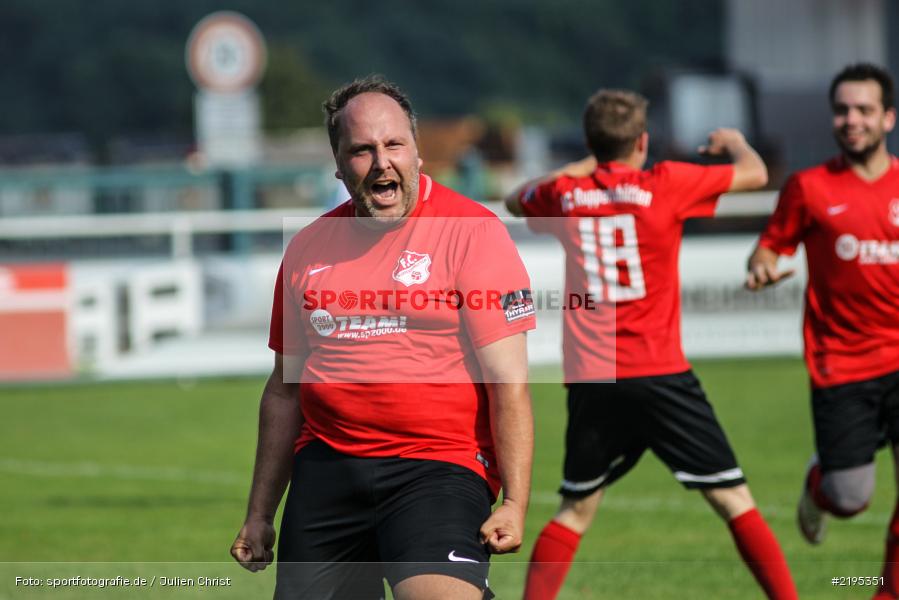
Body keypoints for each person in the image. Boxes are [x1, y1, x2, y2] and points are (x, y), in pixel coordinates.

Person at [229, 75, 536, 600]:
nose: (381, 162)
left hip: (437, 466)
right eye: (362, 150)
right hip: (328, 469)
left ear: (418, 152)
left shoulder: (474, 232)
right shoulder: (307, 246)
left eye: (394, 144)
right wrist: (259, 515)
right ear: (338, 165)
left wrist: (514, 501)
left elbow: (507, 380)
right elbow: (283, 390)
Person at [506, 89, 798, 599]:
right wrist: (735, 141)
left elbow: (517, 198)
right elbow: (754, 174)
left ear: (592, 142)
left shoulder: (565, 195)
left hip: (594, 377)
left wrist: (580, 168)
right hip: (660, 371)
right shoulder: (667, 183)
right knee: (734, 500)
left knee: (575, 510)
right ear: (642, 142)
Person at [746, 63, 899, 599]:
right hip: (843, 365)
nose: (851, 119)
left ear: (888, 117)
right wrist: (763, 266)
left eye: (863, 109)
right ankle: (819, 488)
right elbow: (768, 248)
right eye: (842, 109)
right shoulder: (809, 187)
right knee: (851, 496)